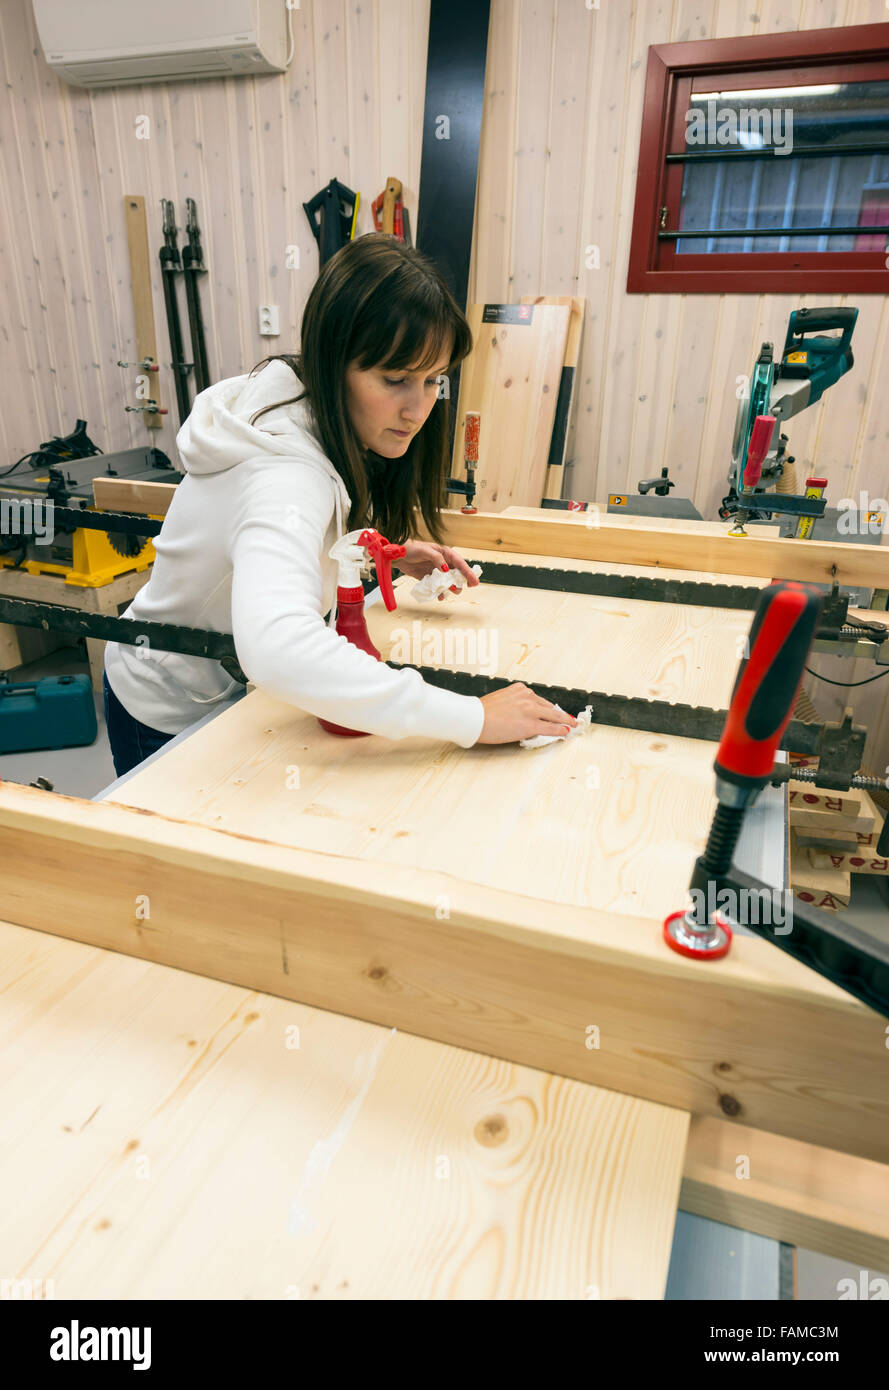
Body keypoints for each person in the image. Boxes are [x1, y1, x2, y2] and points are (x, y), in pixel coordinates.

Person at [103, 233, 575, 777]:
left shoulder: (299, 407)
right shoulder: (284, 474)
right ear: (332, 363)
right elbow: (279, 647)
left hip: (226, 690)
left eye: (432, 381)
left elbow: (296, 537)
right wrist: (472, 717)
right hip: (168, 706)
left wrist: (381, 553)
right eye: (395, 379)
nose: (418, 408)